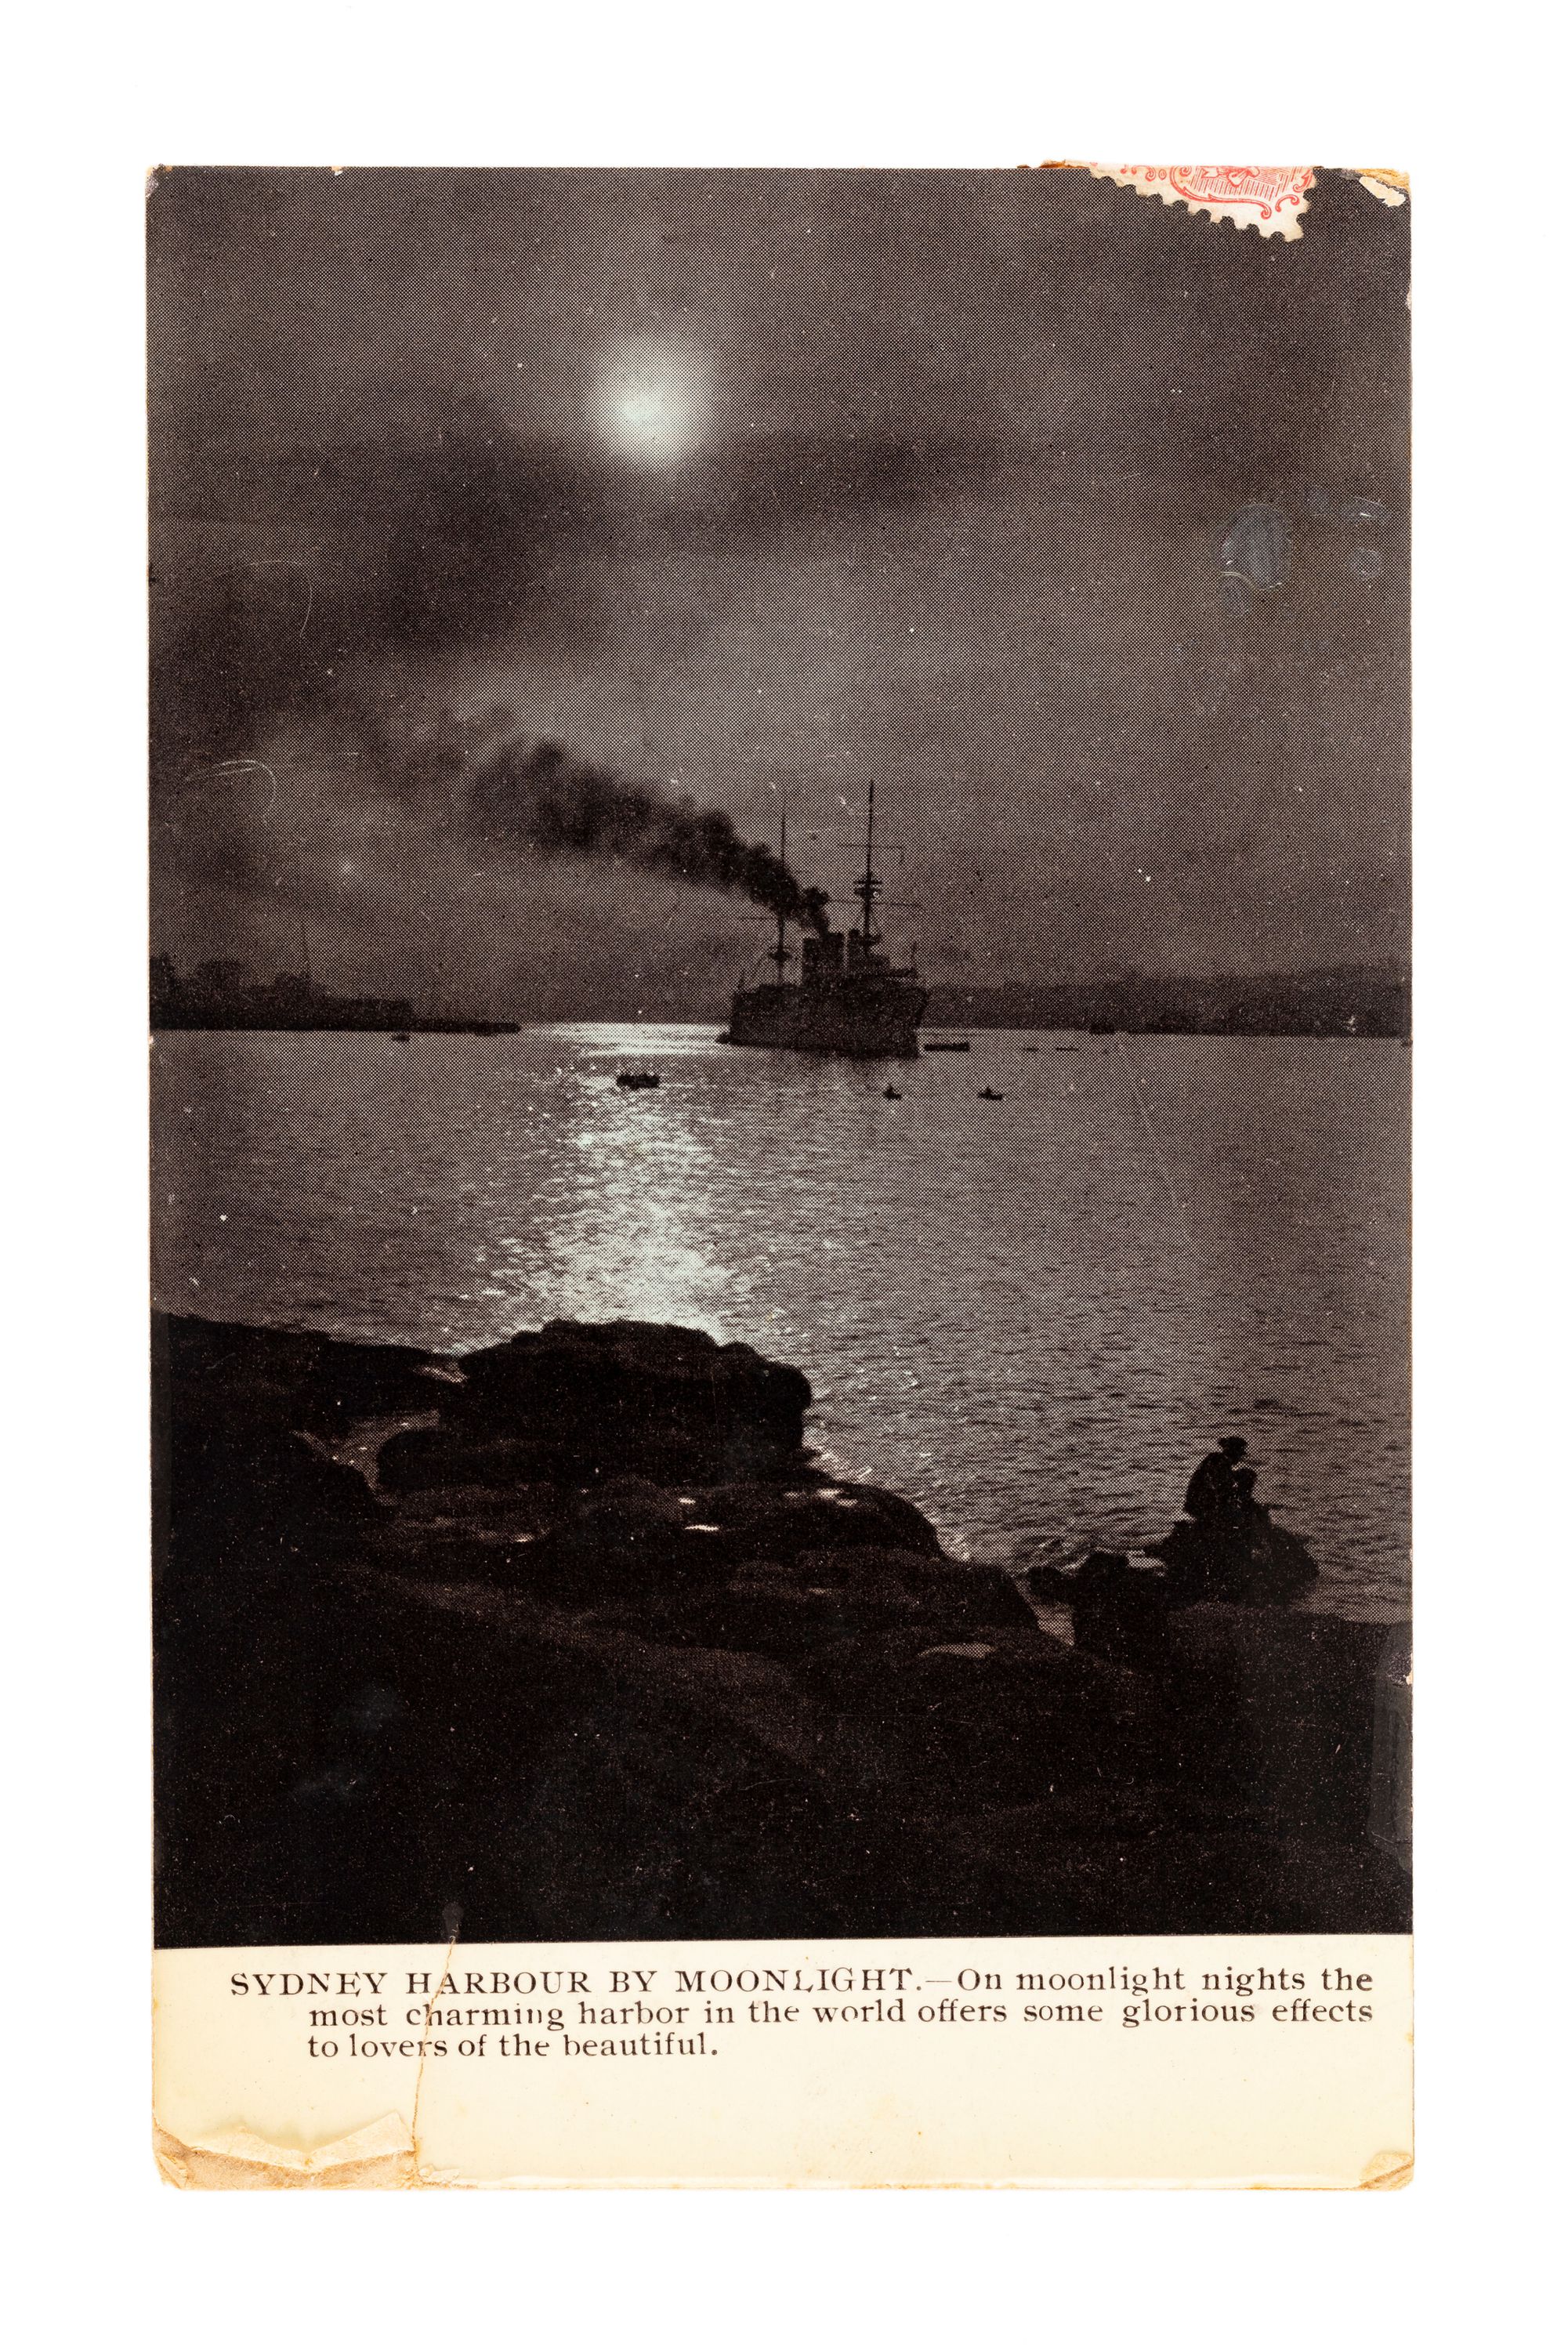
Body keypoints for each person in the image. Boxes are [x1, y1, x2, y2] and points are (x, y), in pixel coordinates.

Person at [1182, 1435, 1247, 1523]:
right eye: (1240, 1454)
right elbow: (1221, 1488)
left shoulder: (1217, 1460)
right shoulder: (1219, 1463)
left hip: (1199, 1503)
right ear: (1234, 1453)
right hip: (1202, 1504)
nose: (1240, 1458)